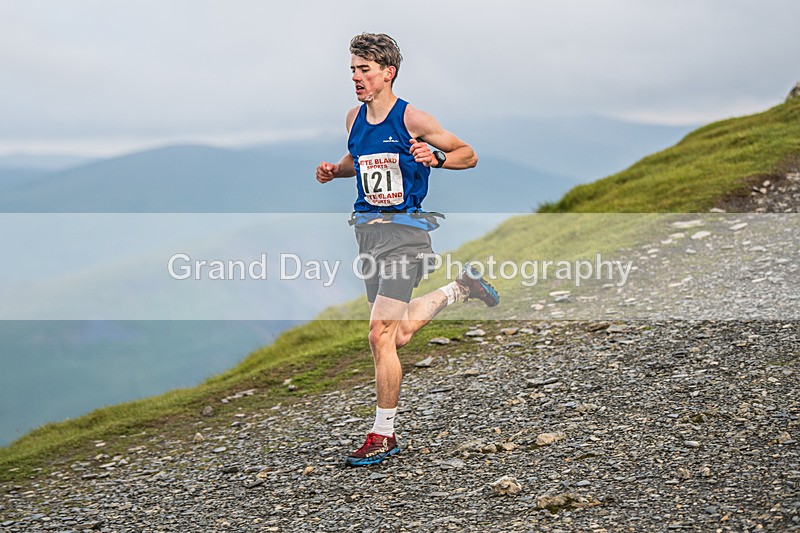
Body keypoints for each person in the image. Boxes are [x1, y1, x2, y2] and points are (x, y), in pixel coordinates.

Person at [315, 32, 499, 467]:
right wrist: (333, 171)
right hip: (368, 235)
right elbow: (356, 160)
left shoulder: (412, 118)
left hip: (407, 235)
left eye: (364, 70)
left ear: (387, 73)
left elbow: (468, 154)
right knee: (395, 334)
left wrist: (435, 159)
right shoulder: (353, 119)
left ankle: (383, 436)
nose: (357, 78)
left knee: (379, 333)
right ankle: (461, 289)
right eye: (353, 71)